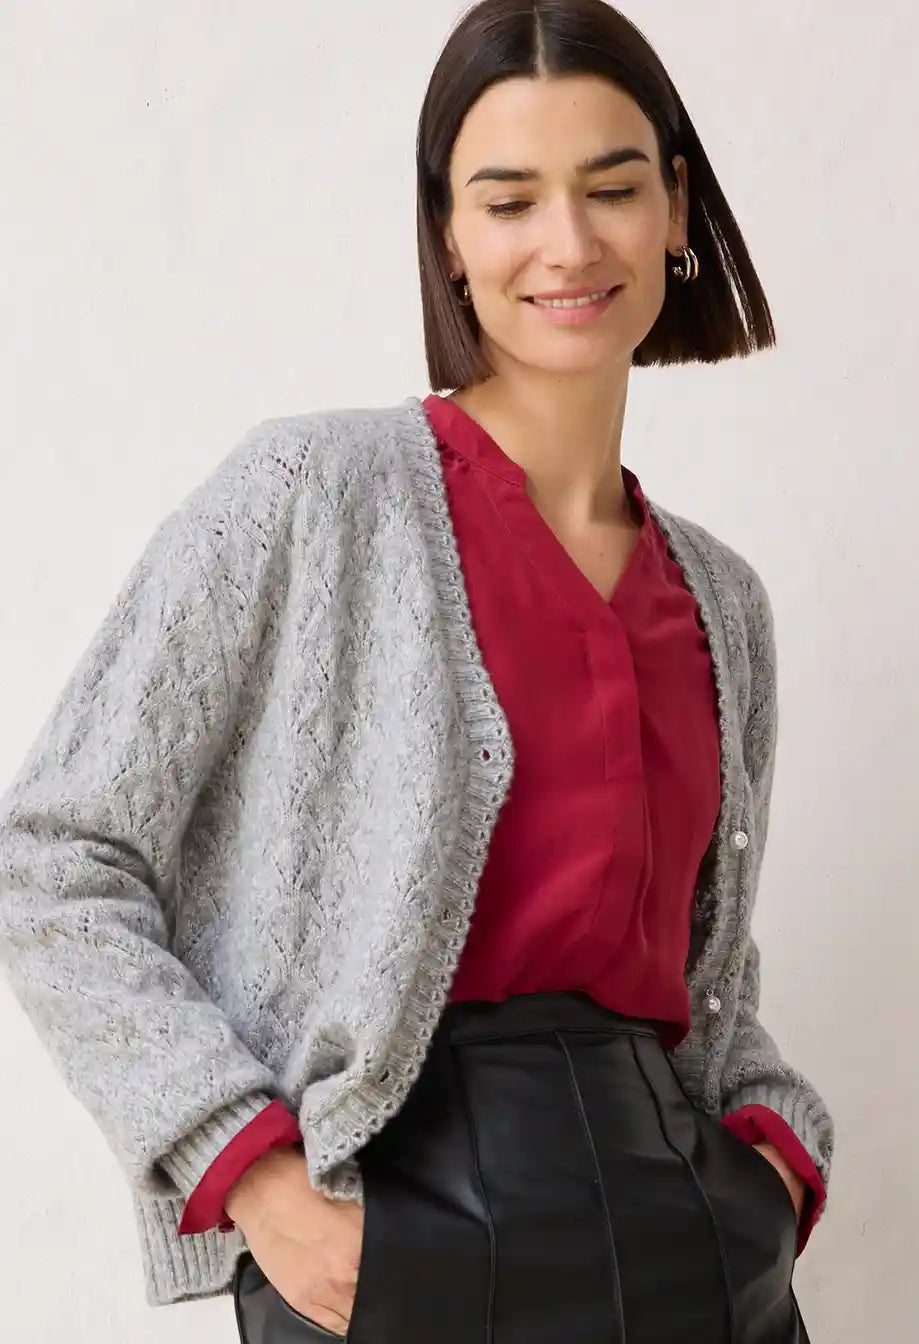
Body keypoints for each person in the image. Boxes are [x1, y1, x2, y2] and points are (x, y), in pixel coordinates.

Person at [0, 1, 833, 1340]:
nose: (569, 243)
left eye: (614, 188)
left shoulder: (723, 603)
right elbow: (52, 852)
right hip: (393, 1240)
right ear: (447, 233)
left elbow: (711, 987)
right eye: (509, 201)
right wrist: (255, 1177)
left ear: (677, 207)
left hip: (691, 1256)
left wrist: (773, 1173)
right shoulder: (311, 494)